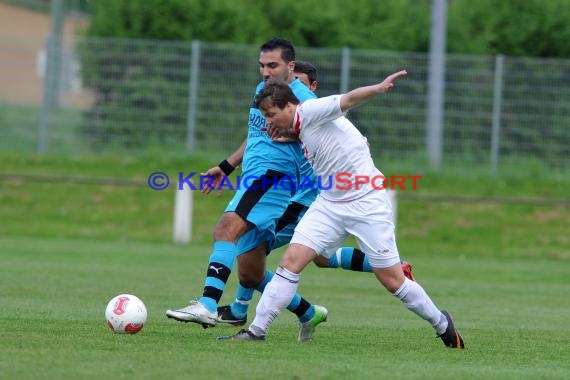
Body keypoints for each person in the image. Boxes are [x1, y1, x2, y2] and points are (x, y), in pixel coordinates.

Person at [218, 71, 465, 349]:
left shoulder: (312, 109)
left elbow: (348, 100)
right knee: (291, 262)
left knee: (393, 281)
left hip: (366, 203)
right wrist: (288, 134)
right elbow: (312, 136)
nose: (268, 121)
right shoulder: (297, 124)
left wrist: (379, 87)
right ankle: (256, 331)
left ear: (290, 105)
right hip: (330, 203)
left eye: (271, 113)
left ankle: (443, 324)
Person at [166, 38, 328, 342]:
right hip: (254, 176)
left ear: (291, 66)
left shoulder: (306, 101)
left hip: (273, 178)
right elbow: (254, 135)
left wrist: (295, 134)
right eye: (262, 66)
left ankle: (207, 305)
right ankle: (309, 313)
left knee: (225, 228)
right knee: (251, 274)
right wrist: (226, 166)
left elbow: (323, 140)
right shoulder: (263, 91)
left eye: (273, 66)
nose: (265, 72)